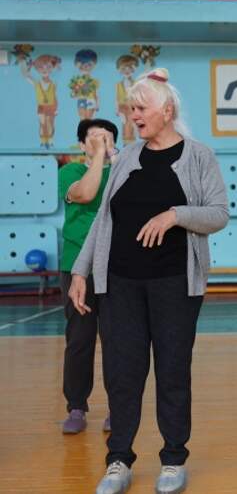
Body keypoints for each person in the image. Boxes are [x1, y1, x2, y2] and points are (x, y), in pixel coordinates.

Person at [69, 68, 229, 494]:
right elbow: (103, 221)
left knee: (172, 372)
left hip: (174, 284)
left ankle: (173, 459)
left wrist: (175, 215)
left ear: (167, 111)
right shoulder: (125, 158)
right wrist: (80, 271)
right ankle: (118, 459)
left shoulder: (199, 156)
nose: (133, 115)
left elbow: (218, 214)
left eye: (141, 108)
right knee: (122, 373)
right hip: (119, 284)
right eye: (131, 109)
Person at [58, 118, 119, 434]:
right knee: (80, 339)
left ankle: (118, 407)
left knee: (117, 340)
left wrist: (113, 158)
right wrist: (98, 158)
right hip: (76, 266)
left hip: (115, 267)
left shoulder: (120, 171)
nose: (100, 143)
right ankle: (76, 406)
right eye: (93, 138)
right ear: (82, 145)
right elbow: (85, 194)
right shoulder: (70, 172)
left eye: (106, 138)